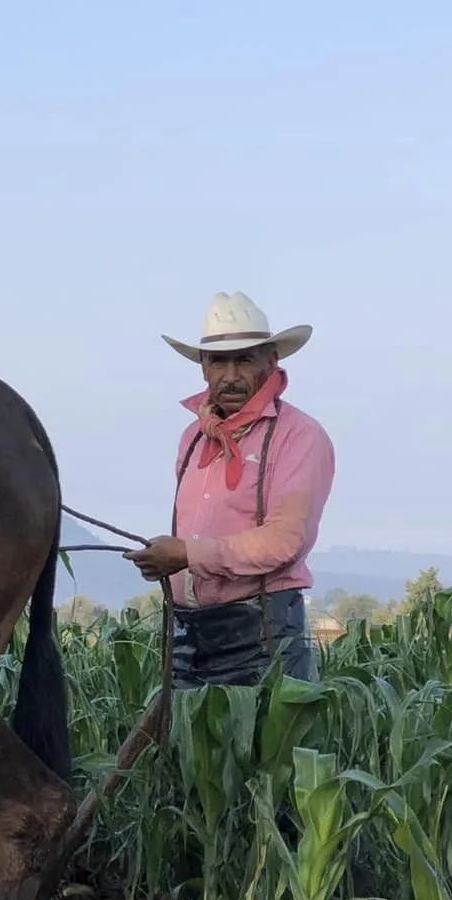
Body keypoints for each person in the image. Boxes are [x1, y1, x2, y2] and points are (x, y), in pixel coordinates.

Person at [124, 292, 335, 688]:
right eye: (219, 361)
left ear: (271, 361)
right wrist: (164, 560)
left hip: (264, 632)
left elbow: (286, 539)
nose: (231, 375)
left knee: (263, 750)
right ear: (203, 367)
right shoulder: (192, 437)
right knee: (185, 749)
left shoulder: (299, 435)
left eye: (245, 359)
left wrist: (185, 553)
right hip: (189, 633)